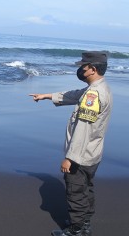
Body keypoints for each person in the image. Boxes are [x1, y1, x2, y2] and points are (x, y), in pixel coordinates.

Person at [29, 51, 113, 236]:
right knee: (86, 189)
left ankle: (76, 231)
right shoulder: (99, 88)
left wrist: (70, 158)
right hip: (93, 153)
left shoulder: (93, 94)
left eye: (82, 66)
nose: (80, 69)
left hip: (81, 155)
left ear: (92, 69)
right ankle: (84, 223)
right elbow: (75, 95)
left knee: (75, 192)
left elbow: (83, 129)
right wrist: (47, 96)